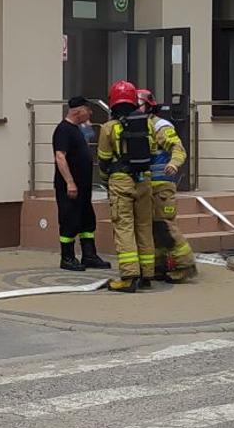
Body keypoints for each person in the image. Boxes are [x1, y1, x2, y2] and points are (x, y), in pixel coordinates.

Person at [97, 80, 160, 293]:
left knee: (124, 228)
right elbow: (153, 153)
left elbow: (104, 160)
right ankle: (147, 274)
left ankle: (129, 276)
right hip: (144, 181)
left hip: (121, 181)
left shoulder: (108, 128)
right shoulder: (148, 124)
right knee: (144, 227)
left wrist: (106, 180)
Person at [136, 89, 194, 283]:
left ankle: (185, 265)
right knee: (154, 228)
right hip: (148, 186)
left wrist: (173, 164)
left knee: (166, 227)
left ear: (149, 105)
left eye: (138, 104)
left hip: (162, 186)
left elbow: (178, 148)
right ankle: (160, 265)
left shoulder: (160, 125)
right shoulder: (139, 125)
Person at [52, 96, 104, 271]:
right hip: (70, 187)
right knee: (70, 220)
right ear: (78, 111)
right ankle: (67, 258)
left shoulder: (78, 129)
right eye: (87, 110)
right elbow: (60, 157)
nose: (90, 113)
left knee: (87, 220)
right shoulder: (63, 130)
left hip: (83, 186)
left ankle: (89, 256)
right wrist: (70, 182)